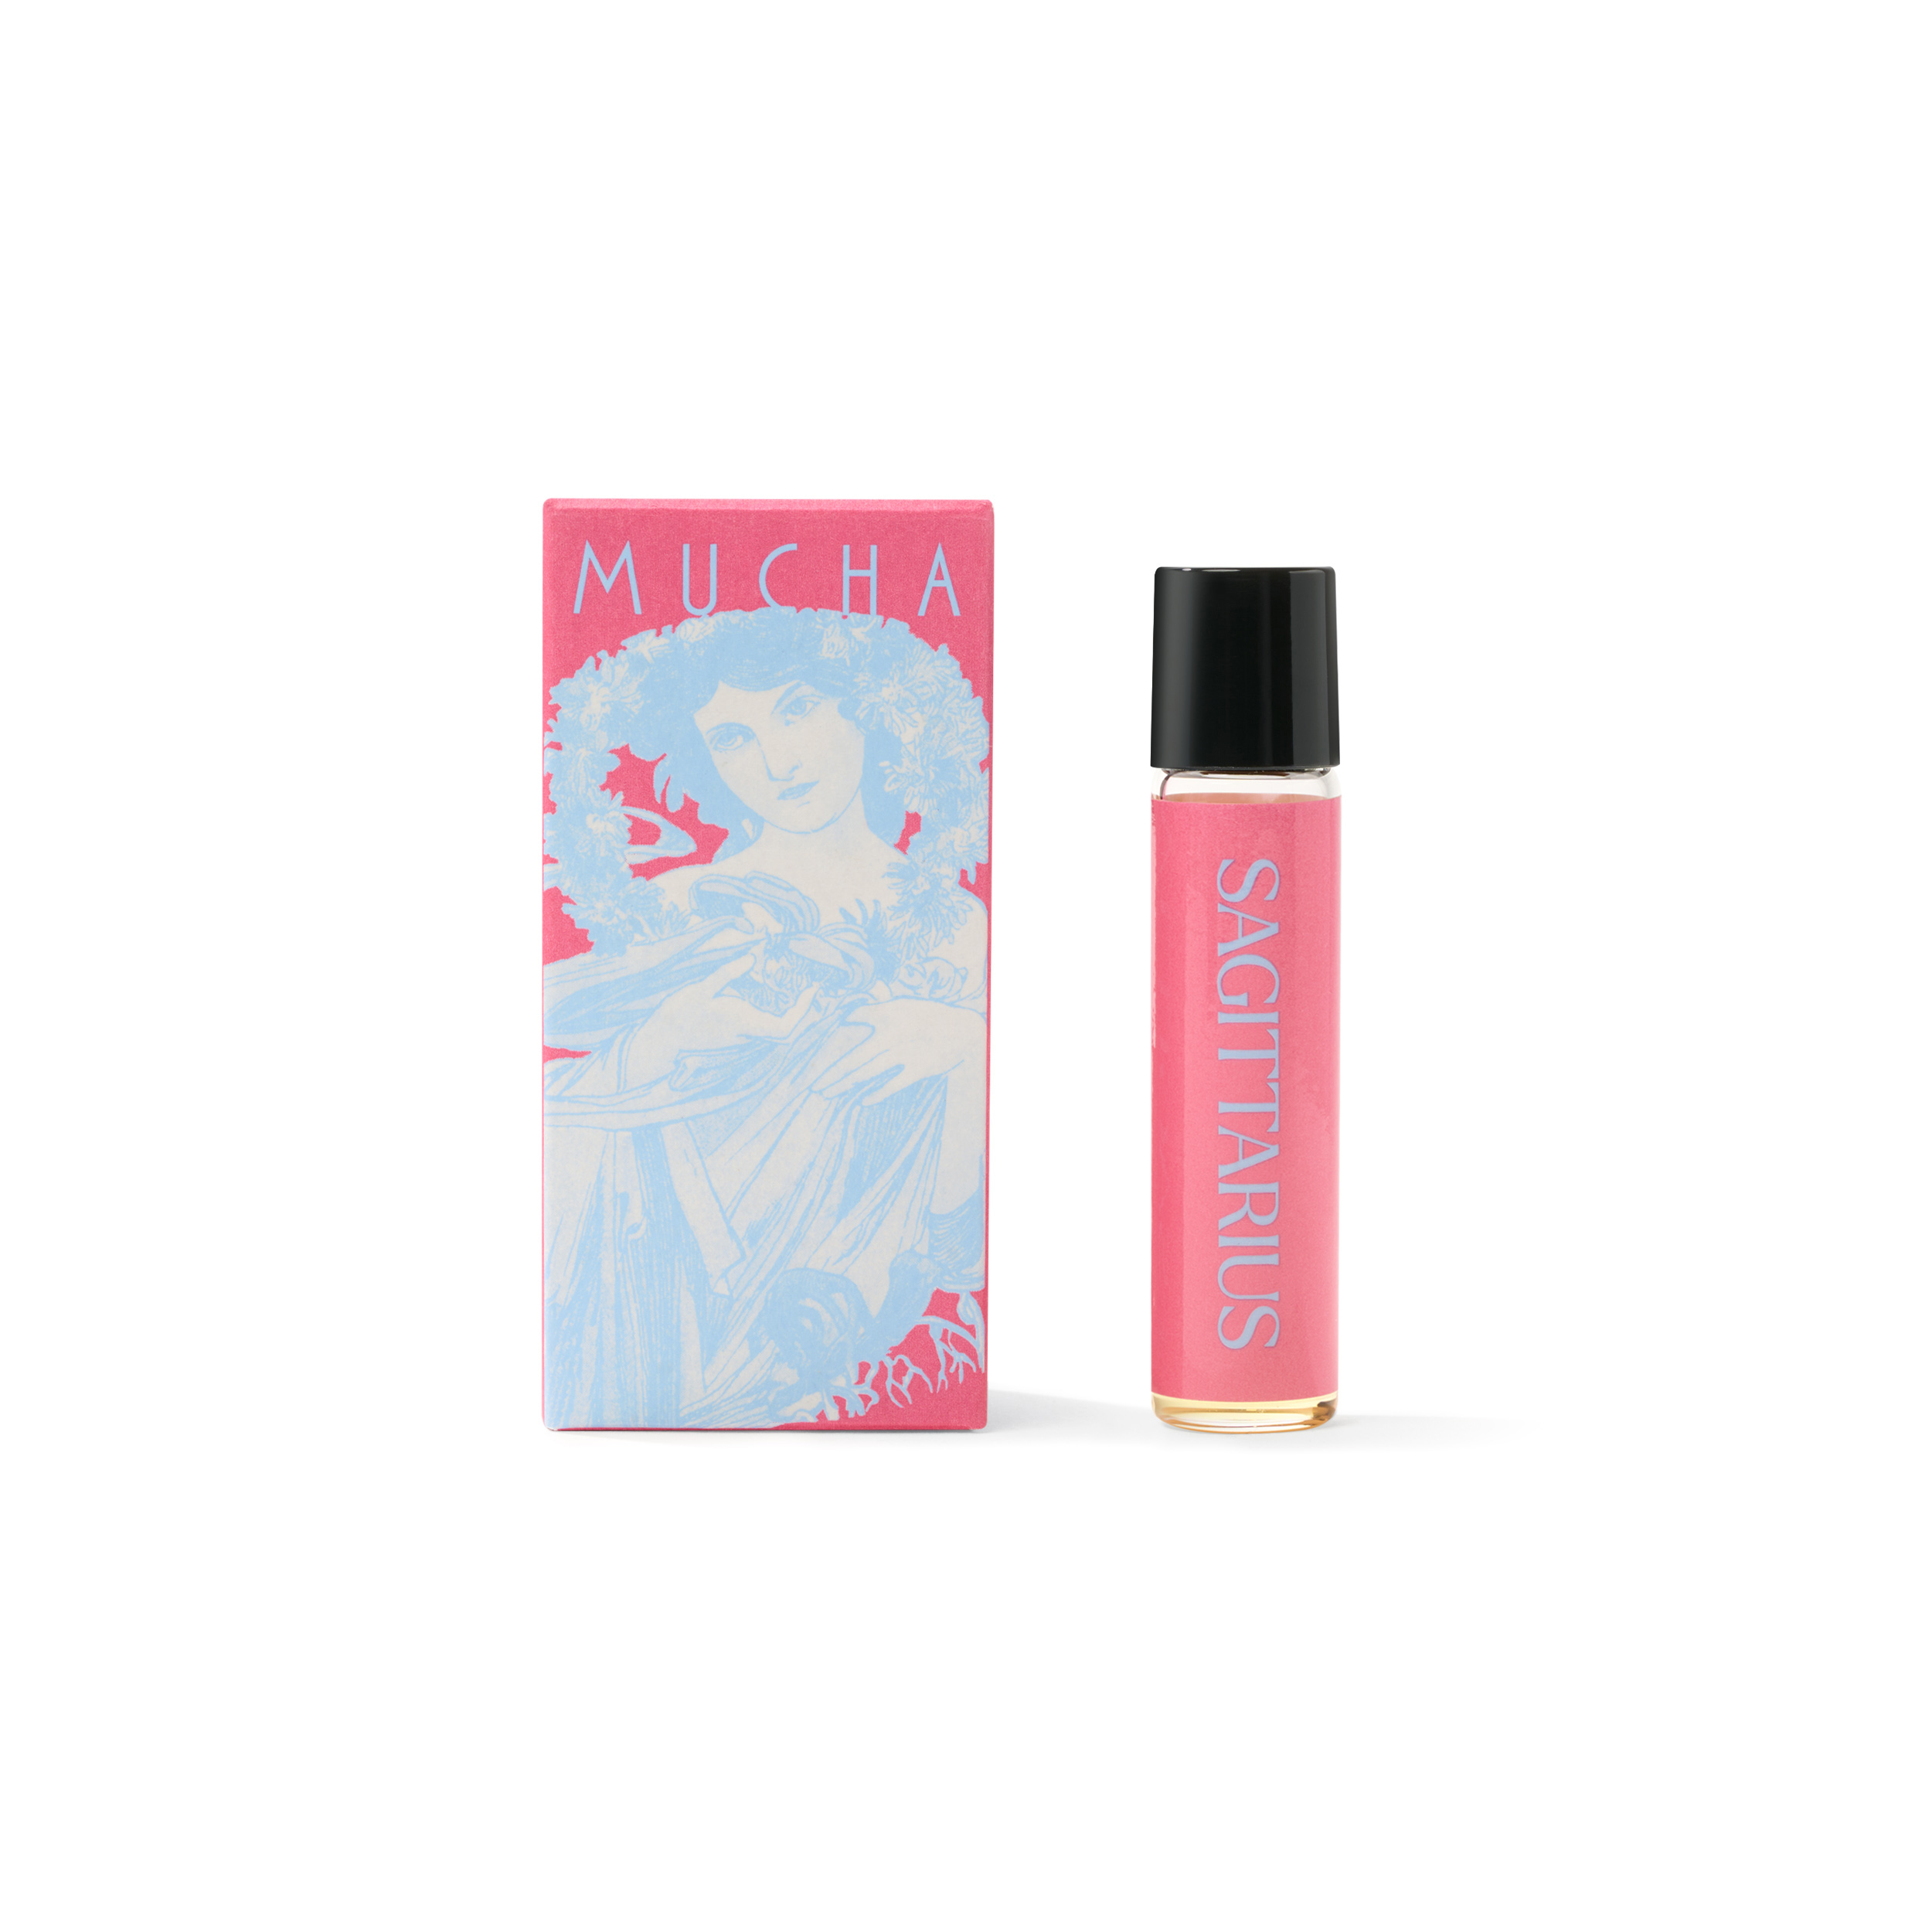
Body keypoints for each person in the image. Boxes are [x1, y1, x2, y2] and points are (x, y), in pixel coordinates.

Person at [543, 606, 989, 1427]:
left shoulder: (953, 925)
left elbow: (953, 1240)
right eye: (733, 738)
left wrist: (967, 1049)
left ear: (867, 705)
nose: (778, 761)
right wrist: (666, 1038)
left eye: (798, 708)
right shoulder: (678, 909)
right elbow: (570, 1139)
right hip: (654, 1317)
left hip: (844, 1331)